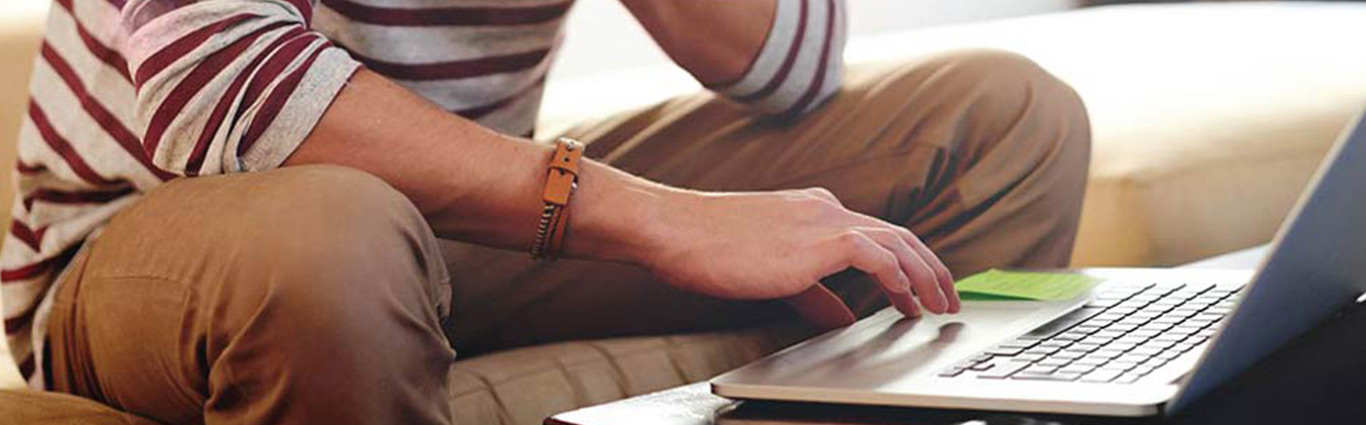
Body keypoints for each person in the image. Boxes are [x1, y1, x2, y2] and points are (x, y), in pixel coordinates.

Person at [2, 0, 1089, 423]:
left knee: (1002, 117)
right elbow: (219, 84)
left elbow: (788, 64)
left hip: (457, 226)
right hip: (157, 238)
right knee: (335, 238)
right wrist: (663, 217)